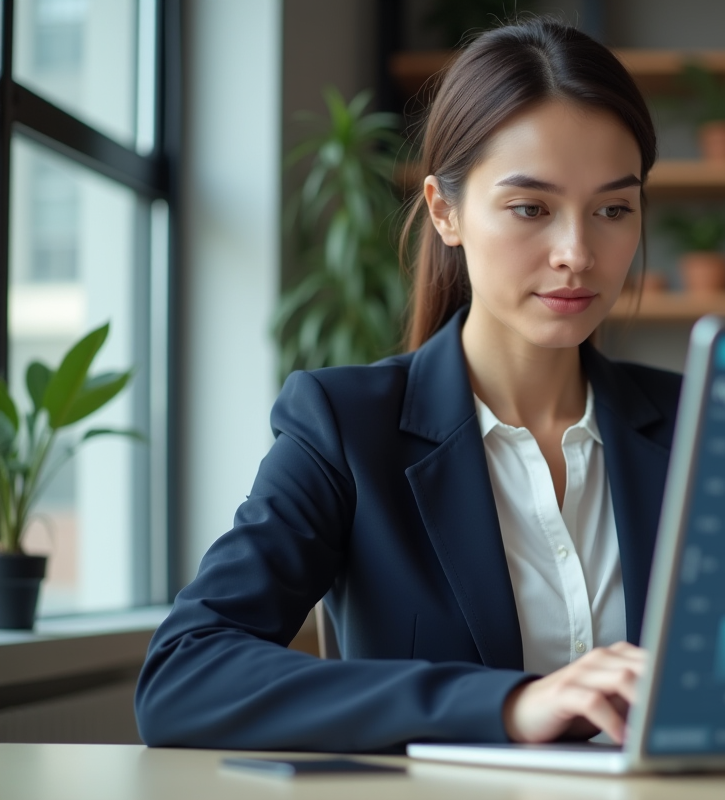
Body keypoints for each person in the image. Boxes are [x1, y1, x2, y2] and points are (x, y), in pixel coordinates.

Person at [135, 18, 682, 752]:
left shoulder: (700, 424)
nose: (576, 253)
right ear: (444, 211)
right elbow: (182, 675)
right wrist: (511, 705)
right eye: (531, 208)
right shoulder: (345, 427)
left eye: (613, 209)